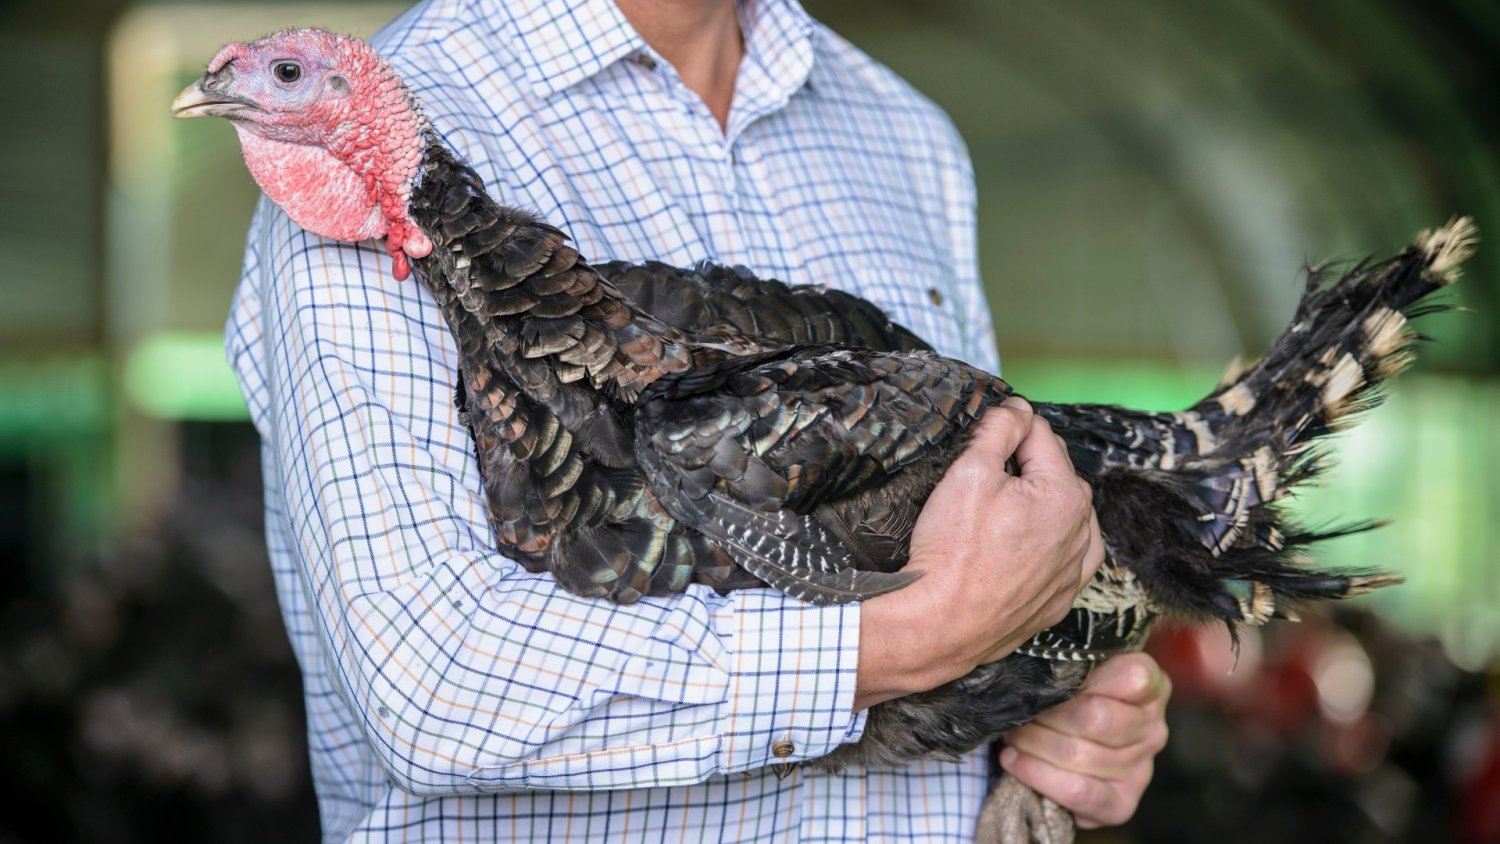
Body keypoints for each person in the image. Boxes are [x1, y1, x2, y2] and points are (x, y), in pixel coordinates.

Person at [227, 0, 1171, 840]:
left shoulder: (903, 129)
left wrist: (1068, 713)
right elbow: (435, 691)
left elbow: (1000, 513)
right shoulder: (360, 121)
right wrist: (909, 641)